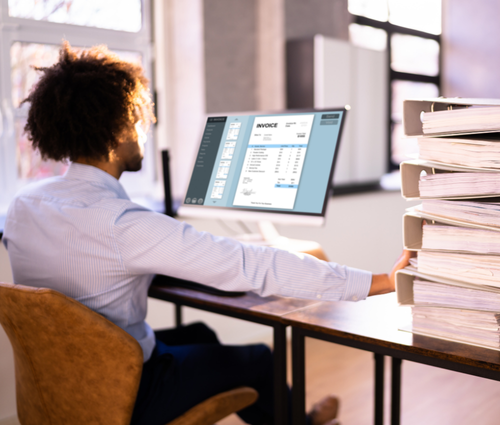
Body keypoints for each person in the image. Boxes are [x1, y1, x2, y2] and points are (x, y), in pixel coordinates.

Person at [2, 42, 411, 425]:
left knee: (200, 334)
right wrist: (380, 281)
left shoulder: (22, 205)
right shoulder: (122, 224)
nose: (144, 132)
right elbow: (250, 266)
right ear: (115, 132)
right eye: (138, 121)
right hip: (124, 392)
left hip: (55, 379)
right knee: (259, 360)